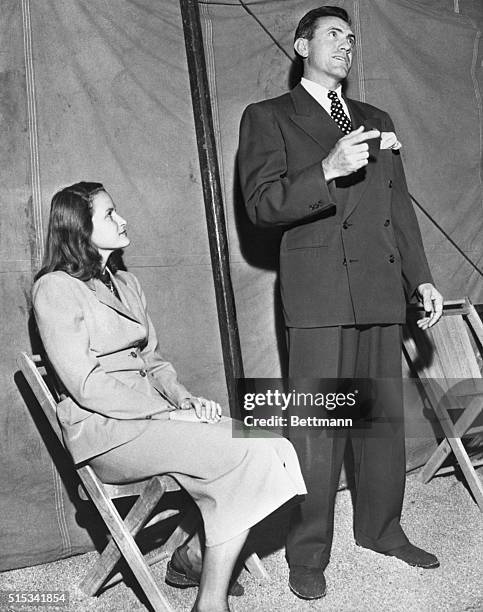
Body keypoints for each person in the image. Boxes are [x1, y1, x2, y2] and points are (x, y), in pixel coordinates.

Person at [238, 5, 443, 601]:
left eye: (351, 38)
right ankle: (307, 555)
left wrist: (420, 279)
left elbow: (397, 208)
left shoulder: (377, 119)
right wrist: (326, 168)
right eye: (332, 35)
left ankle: (382, 530)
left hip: (381, 290)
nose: (345, 45)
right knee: (320, 428)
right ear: (302, 47)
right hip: (319, 292)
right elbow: (261, 205)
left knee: (379, 423)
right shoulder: (269, 117)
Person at [32, 181, 307, 612]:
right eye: (109, 214)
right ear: (79, 229)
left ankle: (195, 554)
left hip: (154, 417)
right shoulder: (54, 289)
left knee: (271, 444)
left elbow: (153, 360)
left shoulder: (126, 282)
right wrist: (165, 414)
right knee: (240, 456)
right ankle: (210, 604)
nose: (122, 220)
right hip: (109, 434)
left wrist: (184, 402)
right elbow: (86, 384)